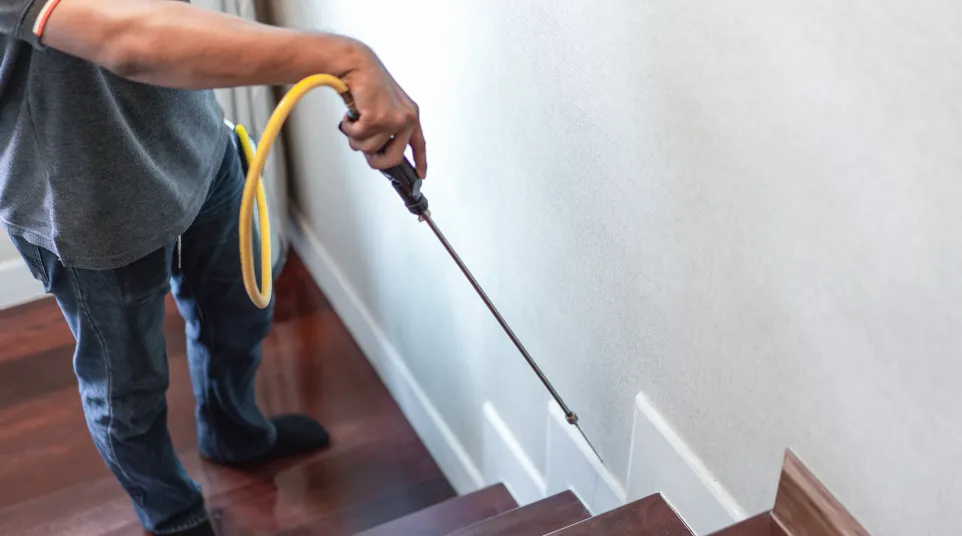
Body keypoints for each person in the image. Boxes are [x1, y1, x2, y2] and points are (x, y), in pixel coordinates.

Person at [0, 1, 427, 535]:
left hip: (198, 142)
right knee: (127, 392)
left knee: (239, 315)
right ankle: (172, 513)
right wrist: (347, 58)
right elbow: (124, 37)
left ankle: (233, 432)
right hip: (84, 204)